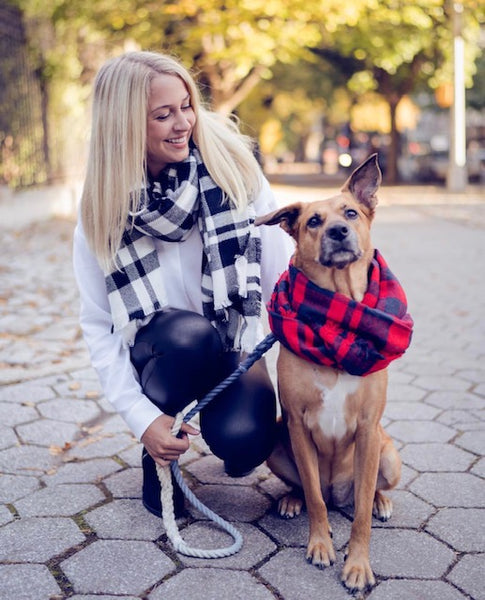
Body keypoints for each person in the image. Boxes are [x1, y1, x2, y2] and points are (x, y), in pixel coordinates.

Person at [72, 51, 293, 517]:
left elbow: (281, 278)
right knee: (186, 335)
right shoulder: (102, 210)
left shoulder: (235, 171)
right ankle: (161, 459)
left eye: (187, 105)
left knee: (247, 441)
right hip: (165, 355)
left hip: (231, 345)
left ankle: (230, 425)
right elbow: (97, 326)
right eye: (163, 114)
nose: (184, 122)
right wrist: (143, 420)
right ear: (127, 124)